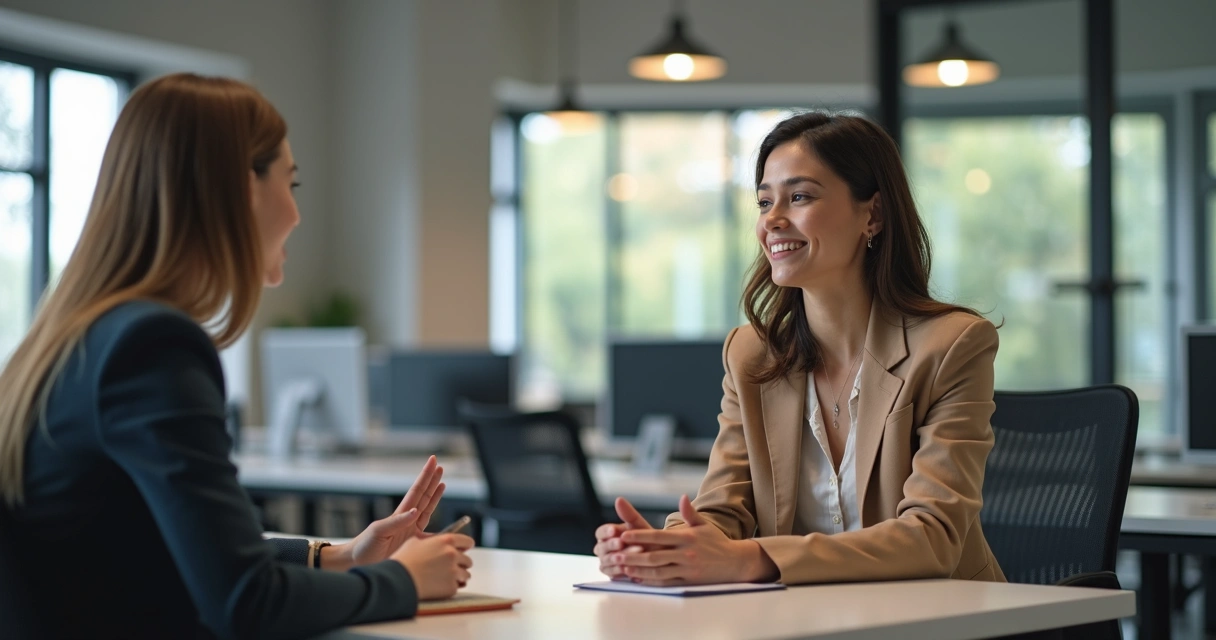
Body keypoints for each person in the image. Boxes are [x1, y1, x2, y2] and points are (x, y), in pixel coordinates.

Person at [0, 73, 473, 639]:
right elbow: (247, 601)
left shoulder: (78, 337)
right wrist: (405, 582)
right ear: (242, 188)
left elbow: (170, 552)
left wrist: (340, 555)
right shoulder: (151, 347)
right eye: (290, 184)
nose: (296, 215)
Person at [594, 112, 1005, 587]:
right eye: (764, 201)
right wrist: (663, 548)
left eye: (800, 196)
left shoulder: (951, 345)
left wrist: (754, 560)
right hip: (805, 620)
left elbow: (933, 538)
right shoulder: (751, 356)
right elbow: (720, 512)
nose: (772, 219)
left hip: (945, 620)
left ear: (872, 215)